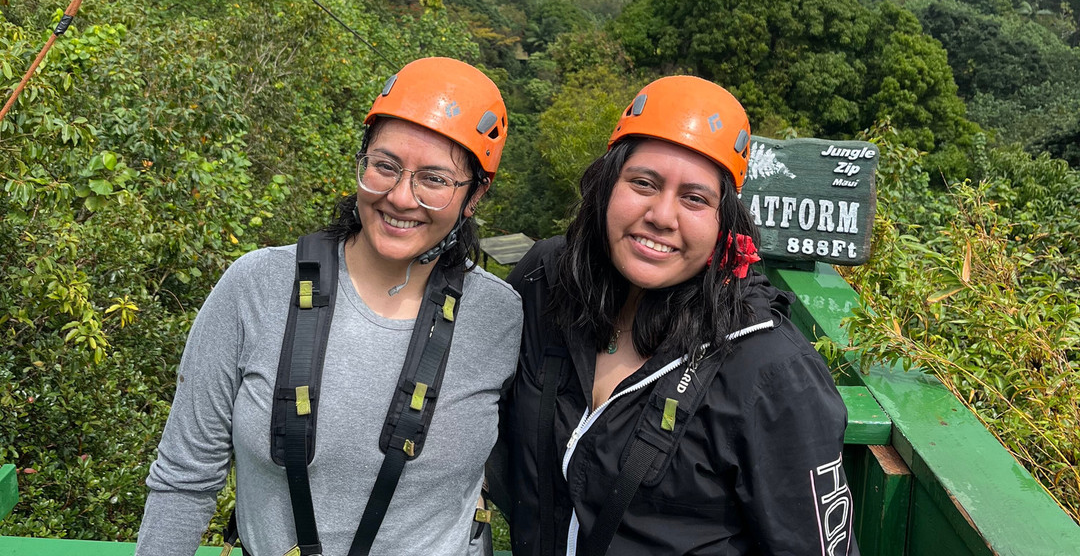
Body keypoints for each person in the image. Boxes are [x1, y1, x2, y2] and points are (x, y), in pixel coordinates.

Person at [135, 57, 523, 556]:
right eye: (384, 166)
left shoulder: (501, 316)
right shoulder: (257, 287)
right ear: (361, 162)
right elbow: (185, 478)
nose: (401, 197)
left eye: (434, 179)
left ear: (474, 196)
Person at [495, 75, 859, 556]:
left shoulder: (768, 370)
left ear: (723, 221)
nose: (662, 216)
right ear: (607, 186)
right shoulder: (547, 281)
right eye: (643, 183)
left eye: (694, 198)